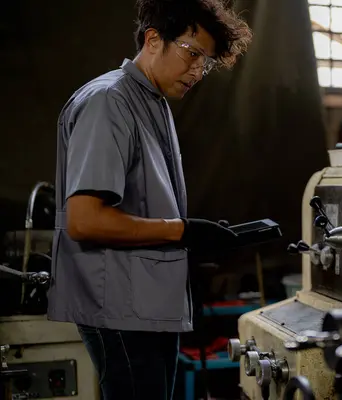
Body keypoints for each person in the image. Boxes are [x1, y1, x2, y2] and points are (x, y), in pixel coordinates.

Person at [47, 1, 252, 399]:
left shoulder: (152, 103)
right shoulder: (110, 101)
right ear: (153, 39)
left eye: (205, 63)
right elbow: (84, 220)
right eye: (192, 53)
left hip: (148, 306)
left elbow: (144, 205)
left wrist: (193, 236)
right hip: (121, 309)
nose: (197, 71)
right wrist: (182, 231)